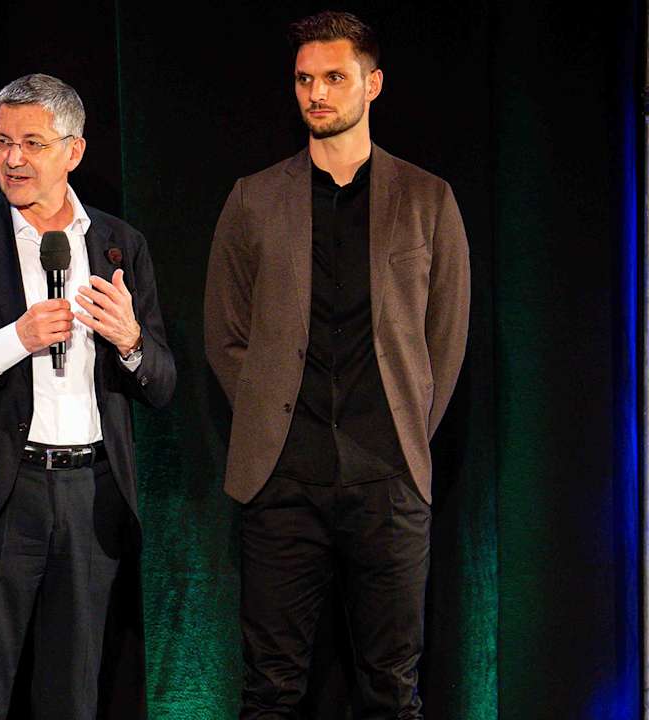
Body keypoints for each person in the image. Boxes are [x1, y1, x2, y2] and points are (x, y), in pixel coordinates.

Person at [204, 11, 470, 718]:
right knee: (270, 690)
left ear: (372, 84)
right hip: (281, 481)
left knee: (393, 691)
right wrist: (271, 416)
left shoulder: (427, 199)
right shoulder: (252, 199)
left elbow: (444, 342)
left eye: (333, 77)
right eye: (304, 79)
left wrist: (402, 425)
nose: (315, 93)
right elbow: (225, 338)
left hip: (389, 480)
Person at [0, 73, 175, 719]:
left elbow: (163, 384)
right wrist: (12, 340)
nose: (13, 159)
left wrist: (132, 340)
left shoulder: (118, 244)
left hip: (91, 497)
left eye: (31, 143)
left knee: (73, 698)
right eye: (0, 141)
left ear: (73, 151)